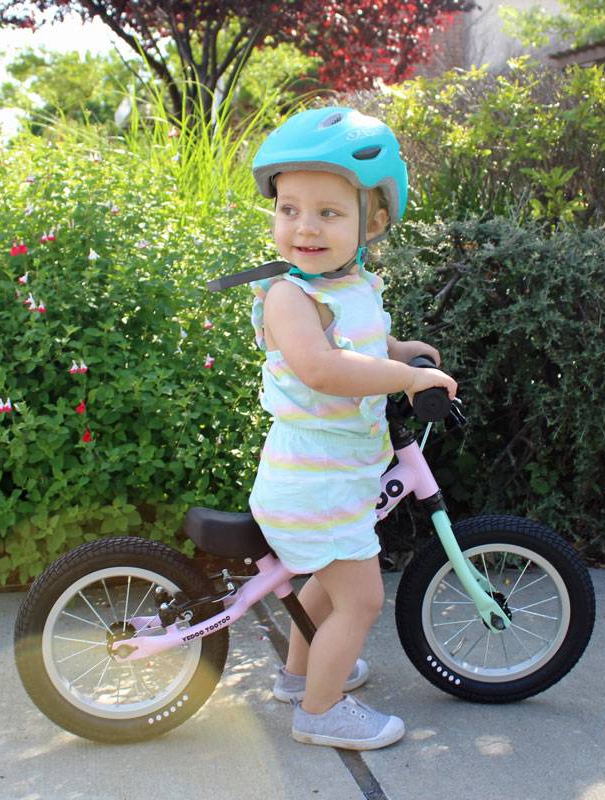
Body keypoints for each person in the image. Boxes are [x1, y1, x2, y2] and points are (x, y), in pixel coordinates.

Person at [245, 107, 457, 750]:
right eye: (289, 209)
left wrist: (398, 348)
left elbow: (358, 338)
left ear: (375, 222)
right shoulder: (288, 295)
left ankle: (297, 677)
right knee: (359, 598)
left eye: (328, 213)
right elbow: (322, 366)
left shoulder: (353, 282)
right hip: (313, 476)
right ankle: (320, 711)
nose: (303, 227)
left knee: (328, 586)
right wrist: (405, 379)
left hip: (336, 472)